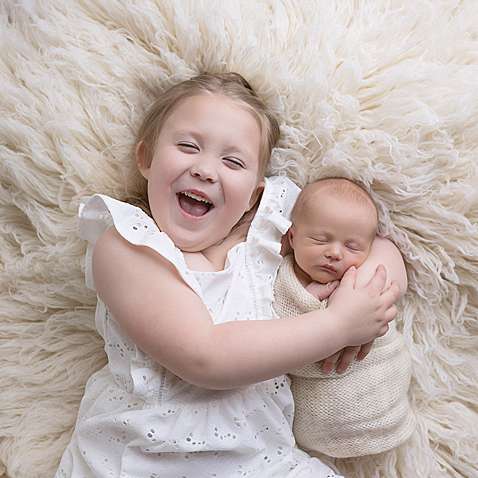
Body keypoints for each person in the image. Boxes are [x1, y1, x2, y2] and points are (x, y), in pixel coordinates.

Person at [55, 72, 404, 478]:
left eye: (233, 161)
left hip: (264, 461)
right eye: (188, 146)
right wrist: (338, 324)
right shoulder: (128, 243)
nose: (205, 169)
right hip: (143, 457)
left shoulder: (272, 233)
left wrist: (366, 298)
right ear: (146, 158)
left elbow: (374, 243)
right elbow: (206, 357)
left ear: (255, 193)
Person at [273, 178, 415, 458]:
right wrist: (307, 303)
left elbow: (391, 288)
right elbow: (273, 327)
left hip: (381, 388)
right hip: (317, 415)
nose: (335, 253)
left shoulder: (365, 275)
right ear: (292, 237)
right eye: (320, 239)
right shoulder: (282, 278)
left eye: (352, 247)